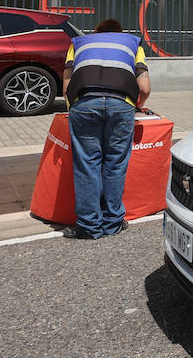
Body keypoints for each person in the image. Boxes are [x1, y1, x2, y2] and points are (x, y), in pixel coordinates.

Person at [61, 18, 151, 240]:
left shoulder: (79, 43)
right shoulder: (133, 44)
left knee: (87, 164)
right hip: (121, 105)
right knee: (115, 164)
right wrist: (137, 107)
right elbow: (145, 87)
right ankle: (113, 223)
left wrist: (73, 108)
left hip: (85, 103)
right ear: (120, 33)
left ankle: (88, 226)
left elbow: (66, 86)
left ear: (95, 32)